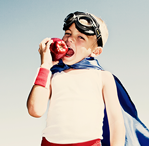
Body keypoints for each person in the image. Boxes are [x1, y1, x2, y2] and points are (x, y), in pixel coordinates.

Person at [27, 11, 149, 146]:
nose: (70, 39)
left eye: (81, 37)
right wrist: (45, 65)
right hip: (50, 143)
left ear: (95, 51)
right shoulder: (53, 74)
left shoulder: (103, 77)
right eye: (68, 33)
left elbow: (116, 121)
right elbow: (35, 110)